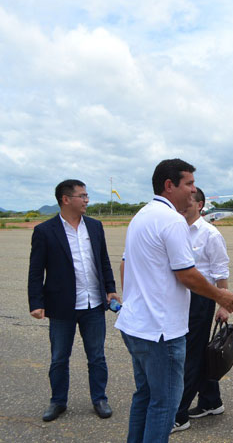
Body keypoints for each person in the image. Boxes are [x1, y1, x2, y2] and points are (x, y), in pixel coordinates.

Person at [115, 159, 233, 443]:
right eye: (189, 184)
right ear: (169, 186)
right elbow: (187, 275)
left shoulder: (142, 215)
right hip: (161, 331)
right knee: (165, 405)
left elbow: (126, 266)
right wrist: (222, 296)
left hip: (136, 324)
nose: (193, 191)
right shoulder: (172, 220)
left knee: (144, 397)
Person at [27, 179, 119, 422]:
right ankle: (58, 401)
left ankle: (99, 398)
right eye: (82, 196)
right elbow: (36, 271)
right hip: (61, 307)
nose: (87, 200)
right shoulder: (45, 231)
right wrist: (36, 302)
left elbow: (104, 261)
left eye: (87, 195)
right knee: (59, 357)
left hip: (94, 305)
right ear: (66, 199)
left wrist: (110, 289)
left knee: (97, 356)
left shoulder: (95, 227)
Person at [172, 187, 231, 432]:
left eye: (189, 201)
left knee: (190, 355)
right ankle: (211, 400)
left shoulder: (210, 234)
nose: (184, 205)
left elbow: (220, 272)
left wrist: (223, 305)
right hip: (178, 299)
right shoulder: (174, 230)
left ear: (201, 205)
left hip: (200, 300)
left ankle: (180, 413)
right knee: (196, 352)